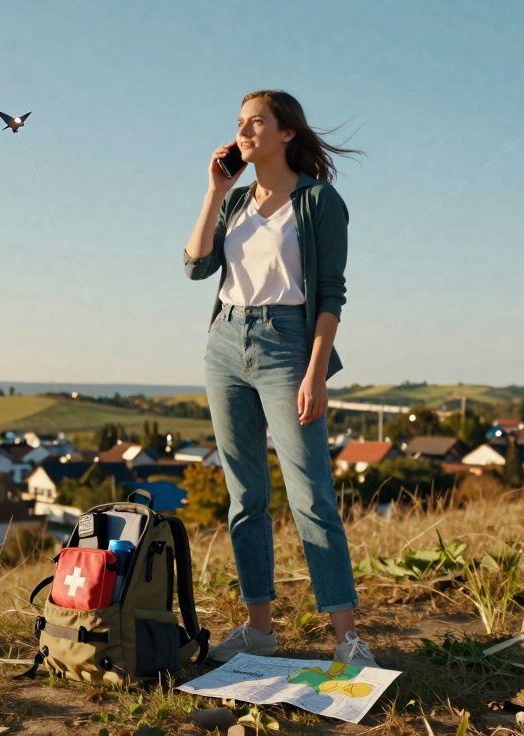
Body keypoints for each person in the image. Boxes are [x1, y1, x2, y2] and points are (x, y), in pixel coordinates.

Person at [182, 90, 376, 668]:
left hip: (288, 344)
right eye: (238, 123)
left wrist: (316, 373)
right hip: (224, 343)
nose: (244, 131)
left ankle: (346, 637)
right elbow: (195, 266)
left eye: (256, 122)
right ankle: (259, 628)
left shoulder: (319, 202)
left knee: (311, 492)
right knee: (245, 495)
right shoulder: (236, 200)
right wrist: (215, 192)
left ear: (287, 132)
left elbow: (330, 295)